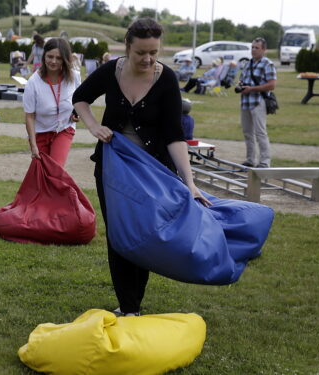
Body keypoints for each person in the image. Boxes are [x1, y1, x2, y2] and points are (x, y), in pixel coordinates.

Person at [73, 18, 212, 317]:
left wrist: (189, 181)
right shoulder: (112, 70)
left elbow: (175, 135)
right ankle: (128, 306)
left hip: (152, 173)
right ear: (128, 47)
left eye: (154, 52)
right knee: (119, 235)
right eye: (141, 53)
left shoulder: (167, 79)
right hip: (113, 171)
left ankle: (132, 303)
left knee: (144, 235)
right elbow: (79, 98)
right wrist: (94, 126)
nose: (148, 59)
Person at [23, 38, 81, 167]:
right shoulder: (33, 83)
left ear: (65, 59)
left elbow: (80, 99)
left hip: (64, 129)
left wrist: (76, 113)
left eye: (58, 58)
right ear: (44, 56)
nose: (53, 61)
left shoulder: (74, 76)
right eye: (50, 56)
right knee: (41, 172)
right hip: (41, 133)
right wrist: (33, 145)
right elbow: (29, 116)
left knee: (55, 168)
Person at [237, 37, 277, 168]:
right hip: (245, 102)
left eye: (257, 48)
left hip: (258, 102)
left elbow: (272, 85)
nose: (253, 50)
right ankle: (250, 159)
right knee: (247, 132)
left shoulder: (267, 64)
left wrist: (252, 89)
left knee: (260, 132)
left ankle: (265, 162)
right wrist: (240, 85)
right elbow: (242, 79)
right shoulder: (247, 63)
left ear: (264, 50)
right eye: (252, 47)